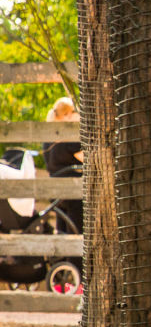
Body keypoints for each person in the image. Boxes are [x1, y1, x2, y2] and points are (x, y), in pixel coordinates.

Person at [42, 96, 83, 232]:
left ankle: (63, 252)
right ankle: (73, 253)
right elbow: (85, 158)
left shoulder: (49, 137)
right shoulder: (69, 136)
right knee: (76, 226)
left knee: (62, 225)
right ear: (68, 114)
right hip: (72, 189)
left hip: (55, 188)